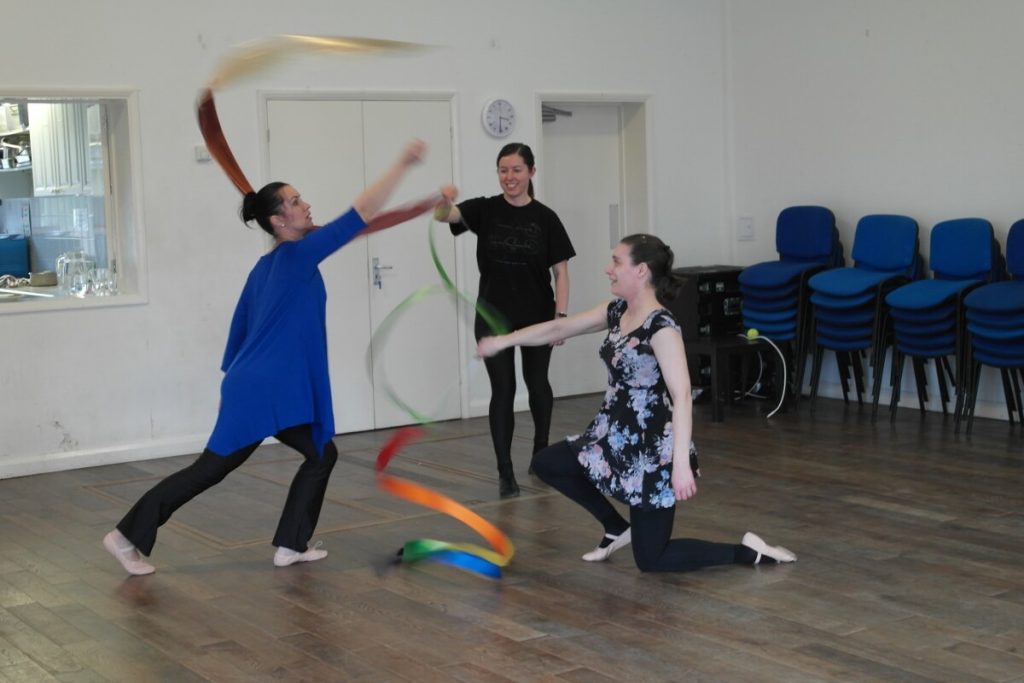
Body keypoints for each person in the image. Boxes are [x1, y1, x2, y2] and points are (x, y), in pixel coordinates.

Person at [103, 140, 452, 576]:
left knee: (321, 454)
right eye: (295, 201)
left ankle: (291, 545)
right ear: (277, 220)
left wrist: (424, 205)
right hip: (264, 390)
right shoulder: (298, 256)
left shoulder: (267, 266)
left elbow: (241, 330)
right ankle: (124, 536)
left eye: (301, 198)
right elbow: (361, 213)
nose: (306, 205)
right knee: (208, 471)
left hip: (259, 386)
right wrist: (402, 162)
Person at [476, 234, 797, 571]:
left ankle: (748, 553)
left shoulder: (661, 328)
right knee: (548, 463)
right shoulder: (617, 312)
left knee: (652, 559)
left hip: (651, 450)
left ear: (641, 270)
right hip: (611, 434)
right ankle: (616, 527)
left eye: (616, 262)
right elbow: (561, 326)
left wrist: (680, 465)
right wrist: (504, 341)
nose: (608, 269)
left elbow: (683, 395)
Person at [435, 142, 575, 498]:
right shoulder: (485, 209)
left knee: (537, 383)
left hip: (538, 315)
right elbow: (444, 216)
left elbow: (561, 273)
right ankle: (505, 472)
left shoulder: (546, 218)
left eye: (516, 170)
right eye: (503, 170)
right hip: (493, 316)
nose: (509, 177)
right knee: (504, 389)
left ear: (531, 171)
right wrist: (443, 199)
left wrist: (561, 318)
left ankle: (540, 454)